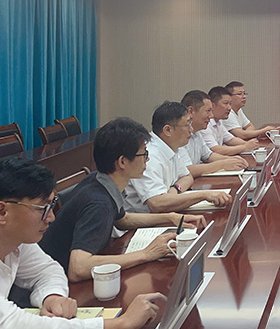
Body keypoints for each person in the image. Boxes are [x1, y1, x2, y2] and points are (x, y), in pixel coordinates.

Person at [0, 157, 164, 329]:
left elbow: (47, 270)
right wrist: (122, 324)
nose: (52, 217)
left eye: (52, 205)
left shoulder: (8, 233)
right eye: (43, 208)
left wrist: (51, 296)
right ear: (1, 212)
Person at [39, 117, 206, 282]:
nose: (147, 159)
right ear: (123, 162)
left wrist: (171, 218)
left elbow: (122, 219)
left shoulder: (99, 181)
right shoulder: (98, 203)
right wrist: (146, 253)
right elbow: (78, 268)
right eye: (144, 154)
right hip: (57, 284)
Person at [123, 101, 232, 213]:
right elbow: (156, 204)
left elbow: (187, 177)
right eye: (187, 125)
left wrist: (175, 189)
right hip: (146, 220)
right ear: (168, 130)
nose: (191, 129)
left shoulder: (171, 146)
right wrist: (203, 195)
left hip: (167, 213)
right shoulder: (149, 156)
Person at [179, 90, 249, 177]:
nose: (211, 116)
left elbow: (208, 156)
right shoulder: (178, 135)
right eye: (208, 111)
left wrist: (231, 159)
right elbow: (187, 170)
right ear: (190, 111)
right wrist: (222, 164)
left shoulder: (197, 133)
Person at [201, 86, 260, 156]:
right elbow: (216, 150)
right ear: (212, 105)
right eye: (226, 103)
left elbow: (231, 140)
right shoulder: (205, 124)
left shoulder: (219, 122)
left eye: (230, 104)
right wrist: (245, 147)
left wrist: (249, 144)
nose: (229, 108)